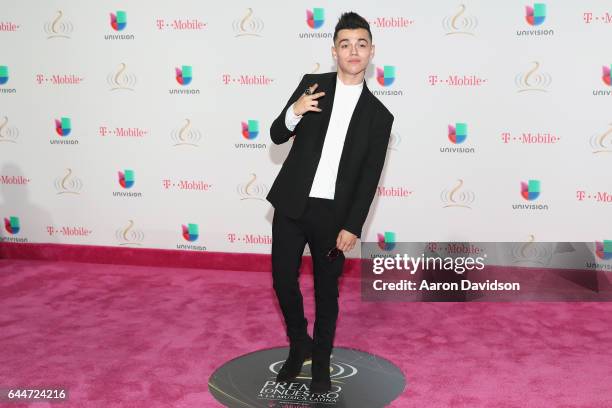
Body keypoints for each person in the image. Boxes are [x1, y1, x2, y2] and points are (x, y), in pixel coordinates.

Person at [266, 11, 394, 394]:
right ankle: (298, 344)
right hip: (291, 205)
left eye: (361, 44)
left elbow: (369, 178)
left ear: (371, 52)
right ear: (334, 51)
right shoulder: (312, 86)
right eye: (345, 44)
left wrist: (353, 225)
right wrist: (295, 111)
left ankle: (320, 362)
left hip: (333, 218)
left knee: (326, 293)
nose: (353, 51)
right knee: (282, 281)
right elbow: (276, 134)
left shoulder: (379, 115)